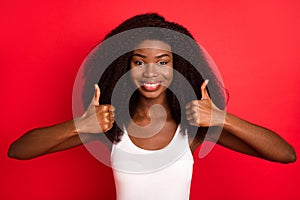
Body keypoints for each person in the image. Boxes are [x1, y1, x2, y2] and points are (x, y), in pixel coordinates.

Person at [8, 13, 296, 200]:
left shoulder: (192, 130)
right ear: (123, 67)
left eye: (162, 62)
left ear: (177, 67)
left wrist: (223, 119)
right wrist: (80, 125)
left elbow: (285, 154)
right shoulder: (111, 127)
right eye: (138, 62)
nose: (150, 73)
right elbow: (18, 151)